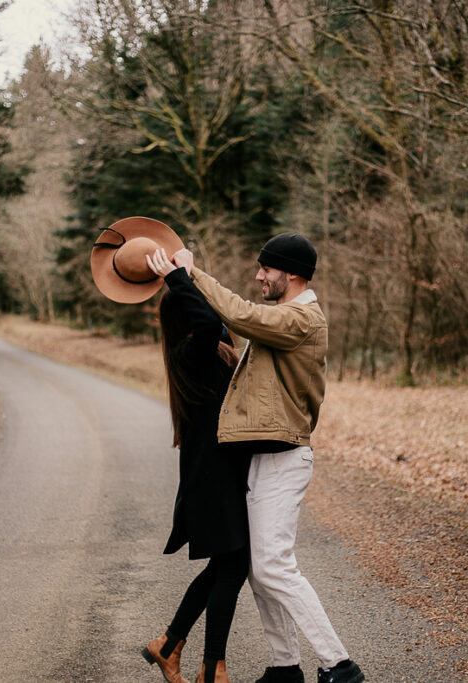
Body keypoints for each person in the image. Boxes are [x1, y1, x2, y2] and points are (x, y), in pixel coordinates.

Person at [154, 235, 365, 683]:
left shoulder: (302, 318)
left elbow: (239, 315)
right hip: (263, 459)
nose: (257, 276)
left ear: (291, 274)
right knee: (257, 568)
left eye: (265, 269)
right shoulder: (284, 317)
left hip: (285, 457)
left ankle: (339, 664)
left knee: (272, 565)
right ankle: (285, 667)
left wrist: (187, 275)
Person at [139, 261, 252, 683]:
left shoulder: (211, 349)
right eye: (197, 303)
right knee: (233, 566)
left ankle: (170, 646)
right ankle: (211, 668)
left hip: (219, 477)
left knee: (227, 567)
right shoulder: (191, 353)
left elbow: (218, 322)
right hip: (212, 481)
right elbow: (208, 321)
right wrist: (176, 279)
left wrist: (190, 273)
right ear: (188, 313)